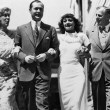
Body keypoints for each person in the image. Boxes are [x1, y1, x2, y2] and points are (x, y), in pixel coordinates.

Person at [14, 0, 59, 110]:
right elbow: (15, 50)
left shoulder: (50, 29)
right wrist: (24, 57)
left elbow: (56, 50)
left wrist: (47, 55)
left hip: (43, 72)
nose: (38, 11)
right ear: (30, 10)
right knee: (26, 104)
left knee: (42, 103)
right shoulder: (20, 29)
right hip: (26, 72)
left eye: (41, 9)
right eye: (36, 8)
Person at [58, 13, 90, 110]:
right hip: (64, 73)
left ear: (74, 23)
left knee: (76, 102)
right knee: (66, 103)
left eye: (70, 20)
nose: (67, 22)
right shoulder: (59, 38)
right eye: (65, 21)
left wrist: (84, 52)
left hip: (77, 72)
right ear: (62, 24)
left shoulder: (82, 36)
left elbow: (89, 54)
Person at [88, 6, 110, 110]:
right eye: (96, 15)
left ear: (108, 16)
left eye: (100, 15)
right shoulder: (90, 31)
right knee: (97, 102)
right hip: (96, 70)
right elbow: (87, 50)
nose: (97, 17)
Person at [0, 7, 19, 110]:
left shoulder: (13, 35)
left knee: (5, 103)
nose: (7, 18)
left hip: (10, 76)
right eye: (5, 15)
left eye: (9, 16)